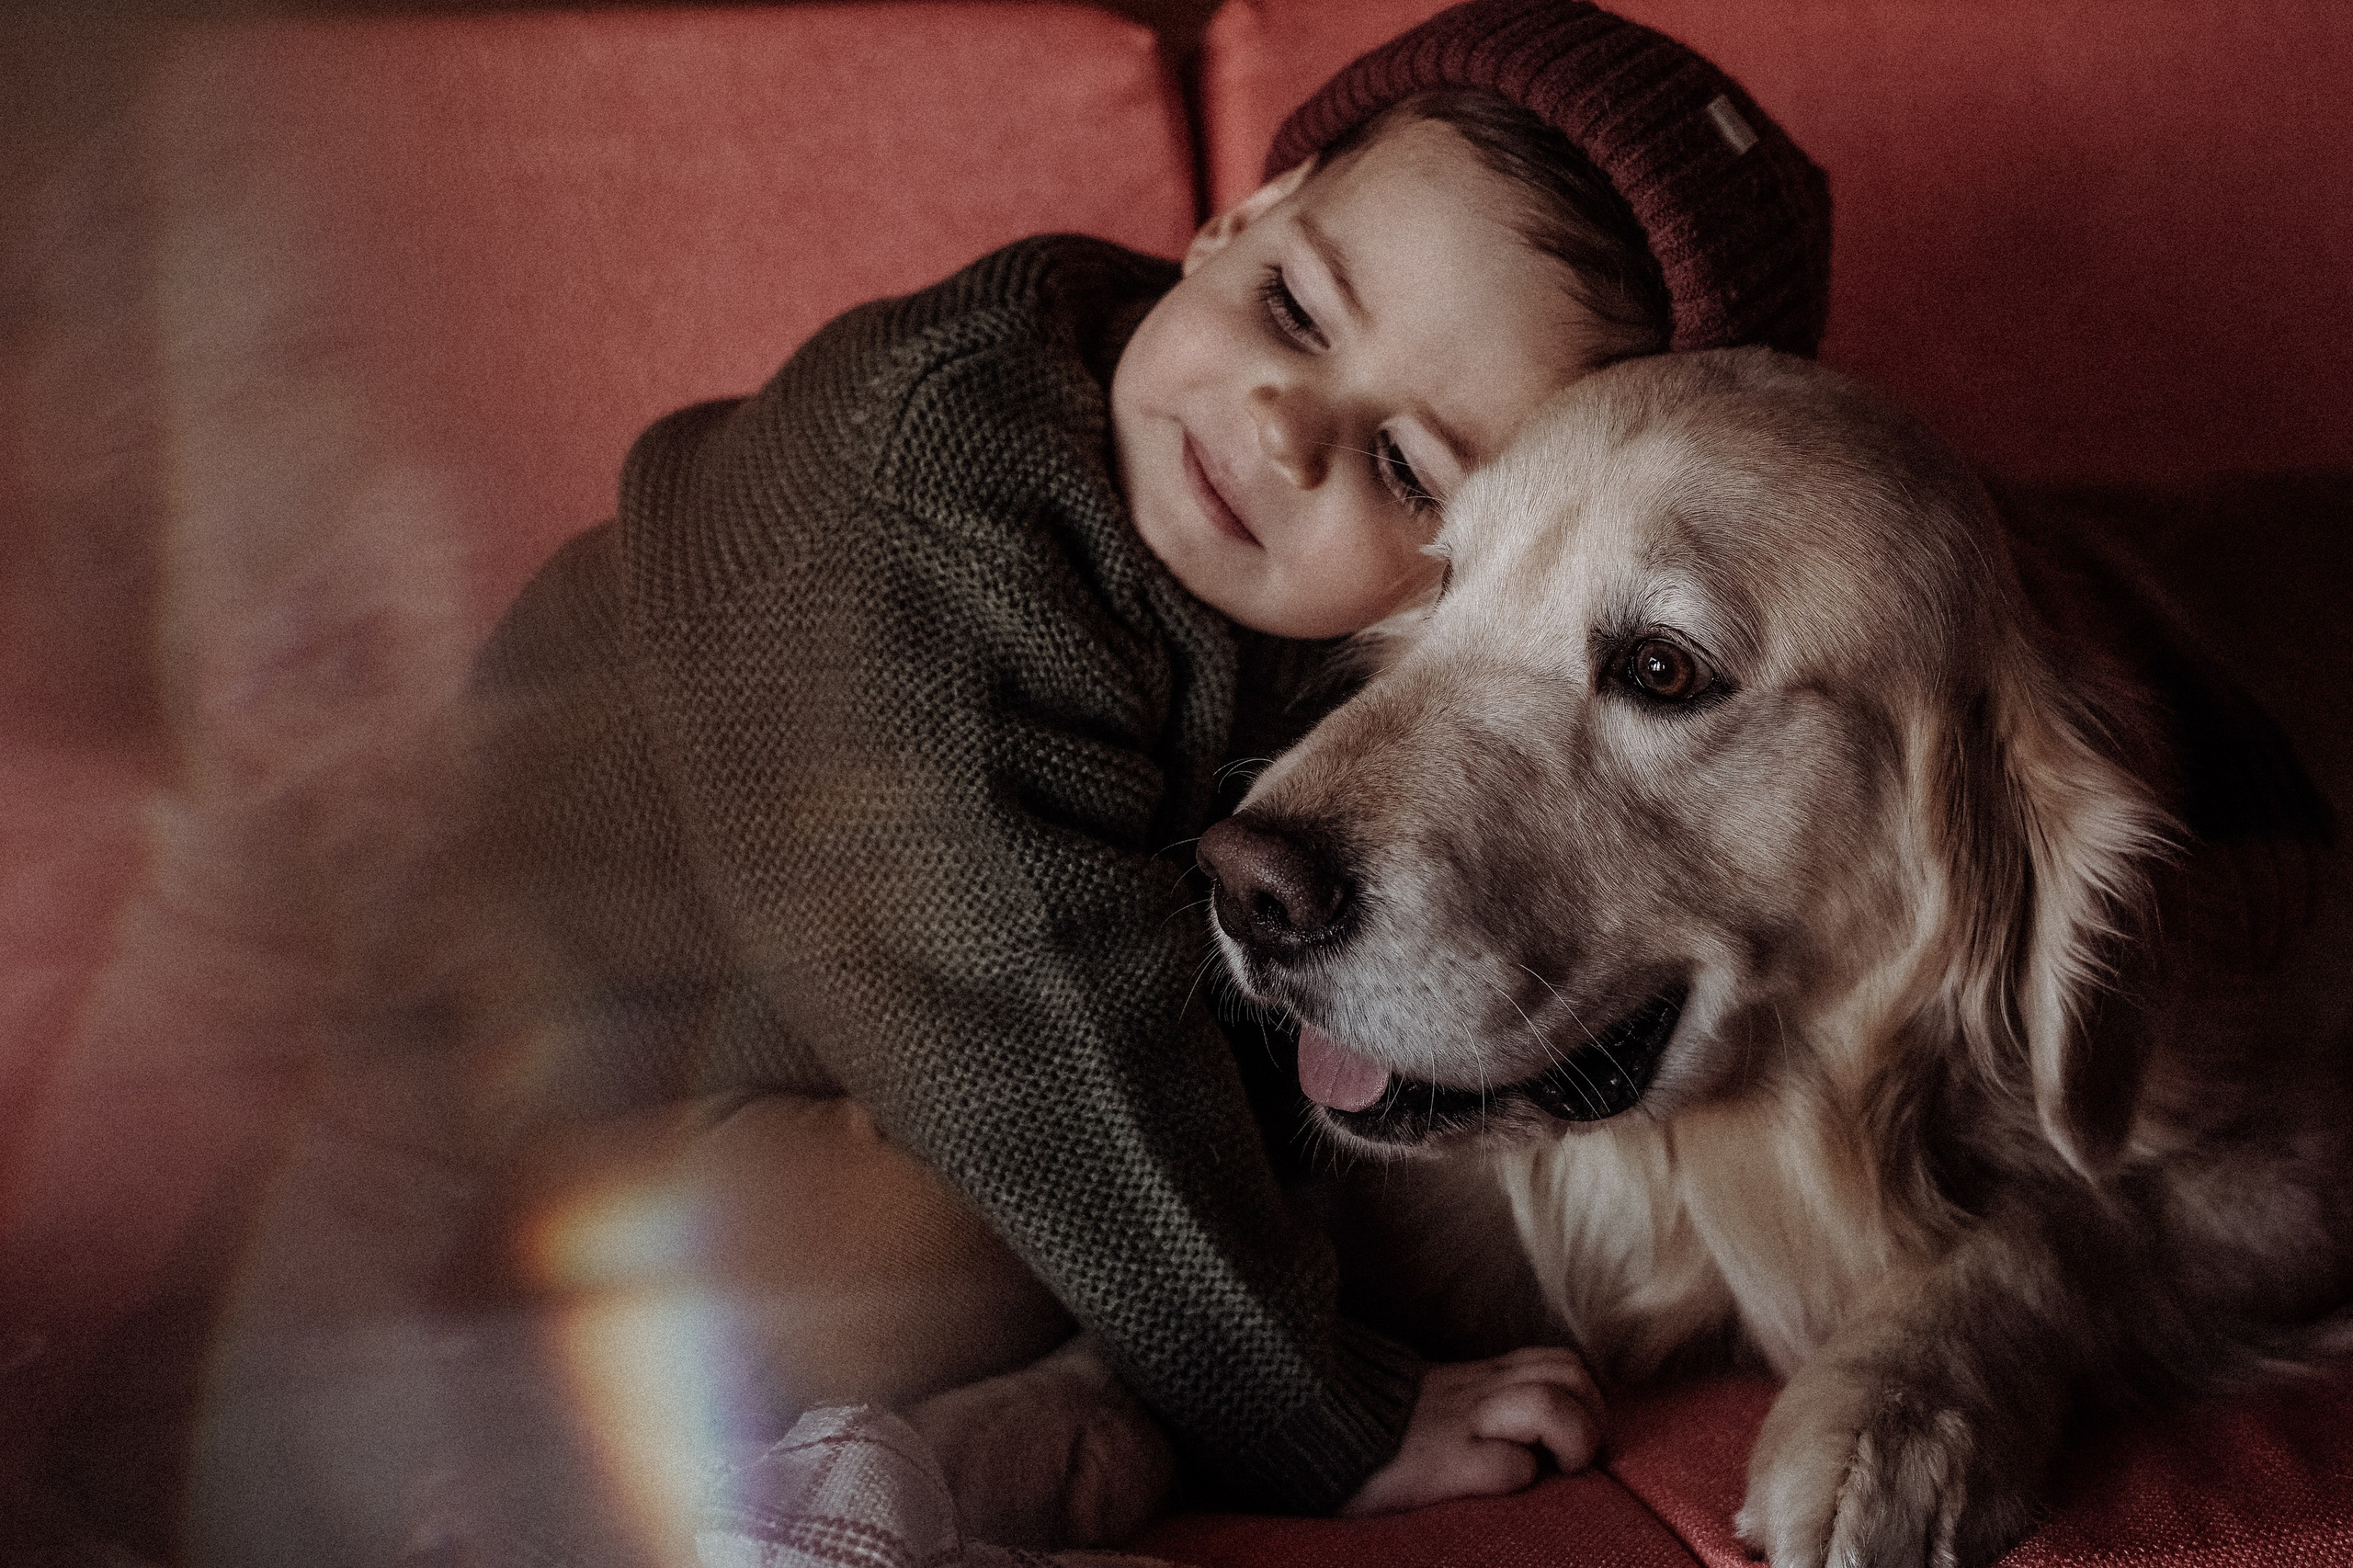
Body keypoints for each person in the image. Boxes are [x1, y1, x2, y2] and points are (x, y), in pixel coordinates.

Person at [457, 0, 1834, 1540]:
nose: (1283, 425)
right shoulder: (930, 510)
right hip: (480, 1121)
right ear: (1235, 217)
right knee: (982, 1230)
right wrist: (1320, 1406)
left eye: (1406, 470)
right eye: (1298, 314)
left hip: (784, 1066)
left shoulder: (1329, 625)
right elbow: (1039, 1021)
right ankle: (492, 1444)